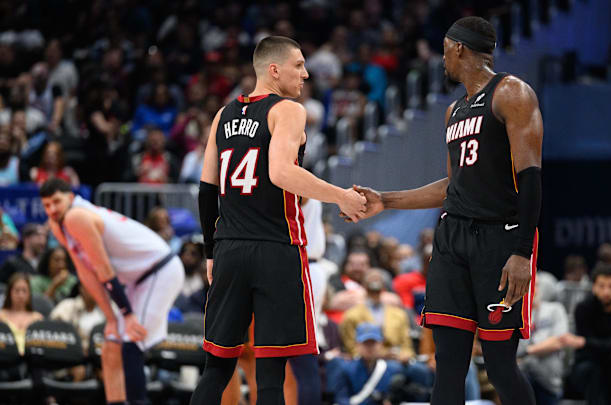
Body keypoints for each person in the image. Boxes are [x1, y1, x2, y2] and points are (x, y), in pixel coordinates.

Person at [351, 16, 543, 405]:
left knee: (500, 366)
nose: (442, 62)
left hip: (500, 239)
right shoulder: (452, 110)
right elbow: (453, 186)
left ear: (458, 48)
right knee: (448, 365)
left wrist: (522, 252)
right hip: (453, 238)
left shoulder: (511, 93)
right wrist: (385, 200)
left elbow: (532, 178)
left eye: (443, 52)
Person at [190, 35, 366, 405]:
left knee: (217, 368)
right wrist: (342, 197)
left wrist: (210, 252)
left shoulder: (221, 115)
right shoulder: (287, 110)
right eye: (299, 66)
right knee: (271, 374)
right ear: (274, 70)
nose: (305, 74)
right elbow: (281, 173)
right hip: (276, 249)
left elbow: (207, 191)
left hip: (229, 250)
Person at [39, 178, 184, 405]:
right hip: (138, 279)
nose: (52, 209)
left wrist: (126, 314)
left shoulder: (76, 216)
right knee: (111, 344)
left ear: (70, 197)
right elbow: (85, 273)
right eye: (46, 205)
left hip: (161, 269)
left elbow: (103, 268)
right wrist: (110, 318)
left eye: (56, 202)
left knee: (131, 339)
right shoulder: (59, 224)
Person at [562, 265, 611, 405]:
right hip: (589, 363)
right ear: (594, 287)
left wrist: (588, 343)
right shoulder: (583, 308)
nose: (606, 291)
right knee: (595, 372)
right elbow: (587, 350)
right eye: (601, 286)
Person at [0, 272, 44, 355]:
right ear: (9, 292)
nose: (21, 295)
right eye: (17, 290)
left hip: (32, 360)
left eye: (24, 291)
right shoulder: (0, 315)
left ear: (29, 294)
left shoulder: (37, 318)